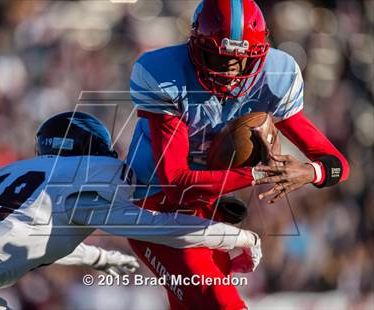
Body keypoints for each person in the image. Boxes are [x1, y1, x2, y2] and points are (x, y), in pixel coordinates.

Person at [127, 0, 350, 308]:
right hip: (154, 209)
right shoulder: (165, 74)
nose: (230, 71)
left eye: (240, 60)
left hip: (206, 211)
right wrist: (260, 173)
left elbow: (336, 164)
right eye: (218, 57)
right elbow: (175, 181)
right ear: (196, 46)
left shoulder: (276, 75)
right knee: (223, 304)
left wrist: (310, 171)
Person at [0, 111, 261, 309]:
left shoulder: (9, 175)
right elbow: (161, 228)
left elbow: (32, 239)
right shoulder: (86, 181)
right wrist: (237, 237)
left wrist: (99, 257)